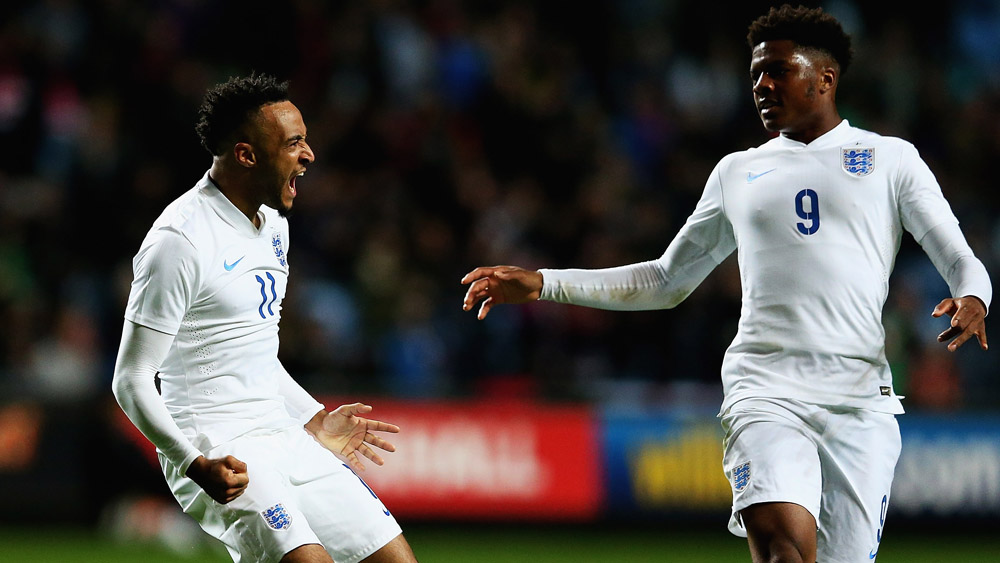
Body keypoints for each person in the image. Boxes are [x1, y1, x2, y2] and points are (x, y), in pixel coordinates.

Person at [461, 5, 991, 563]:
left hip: (860, 402)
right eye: (756, 73)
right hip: (764, 390)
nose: (761, 84)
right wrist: (545, 282)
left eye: (779, 70)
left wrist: (975, 297)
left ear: (825, 78)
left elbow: (959, 257)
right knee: (785, 554)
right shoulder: (737, 172)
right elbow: (666, 280)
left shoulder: (891, 160)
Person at [112, 74, 419, 563]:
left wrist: (313, 417)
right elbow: (130, 380)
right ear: (246, 155)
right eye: (294, 142)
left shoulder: (274, 226)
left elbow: (256, 353)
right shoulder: (180, 240)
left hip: (283, 434)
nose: (309, 154)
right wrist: (194, 464)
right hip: (217, 447)